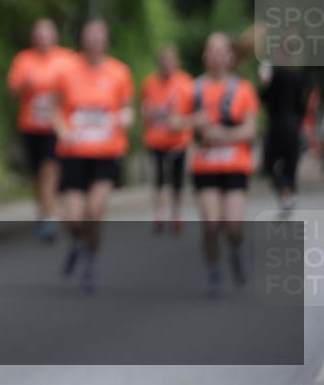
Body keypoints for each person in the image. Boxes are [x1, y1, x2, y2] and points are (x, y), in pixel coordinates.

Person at [52, 19, 134, 293]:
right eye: (90, 35)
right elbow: (55, 108)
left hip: (106, 152)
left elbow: (127, 108)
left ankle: (90, 261)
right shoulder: (67, 71)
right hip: (74, 151)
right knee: (73, 218)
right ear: (82, 39)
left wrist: (125, 117)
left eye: (100, 36)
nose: (95, 40)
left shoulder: (119, 72)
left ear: (107, 40)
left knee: (94, 212)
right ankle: (77, 242)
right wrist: (63, 130)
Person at [183, 32, 259, 297]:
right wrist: (193, 122)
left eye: (220, 51)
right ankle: (213, 270)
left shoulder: (243, 89)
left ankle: (235, 250)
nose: (215, 56)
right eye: (211, 50)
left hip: (235, 165)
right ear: (205, 56)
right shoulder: (193, 88)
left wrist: (223, 135)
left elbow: (250, 129)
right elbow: (172, 122)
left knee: (233, 226)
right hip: (205, 167)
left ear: (230, 56)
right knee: (211, 224)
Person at [7, 19, 75, 241]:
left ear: (55, 36)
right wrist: (26, 85)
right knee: (35, 176)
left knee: (50, 170)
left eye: (47, 34)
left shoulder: (67, 59)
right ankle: (44, 211)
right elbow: (13, 90)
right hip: (30, 125)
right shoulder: (24, 59)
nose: (43, 38)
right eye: (39, 34)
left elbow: (78, 87)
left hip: (56, 126)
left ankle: (50, 218)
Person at [140, 45, 193, 234]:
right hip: (156, 139)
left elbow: (195, 113)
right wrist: (151, 113)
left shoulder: (186, 83)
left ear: (177, 62)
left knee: (177, 180)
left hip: (179, 140)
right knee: (159, 178)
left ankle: (177, 213)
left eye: (170, 60)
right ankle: (160, 212)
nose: (167, 64)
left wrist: (182, 122)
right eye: (164, 60)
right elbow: (144, 110)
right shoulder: (150, 83)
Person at [258, 54, 309, 217]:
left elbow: (263, 98)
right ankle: (289, 193)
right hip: (294, 125)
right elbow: (302, 106)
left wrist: (265, 82)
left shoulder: (275, 76)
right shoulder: (298, 76)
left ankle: (285, 191)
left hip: (277, 126)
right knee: (290, 163)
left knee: (269, 163)